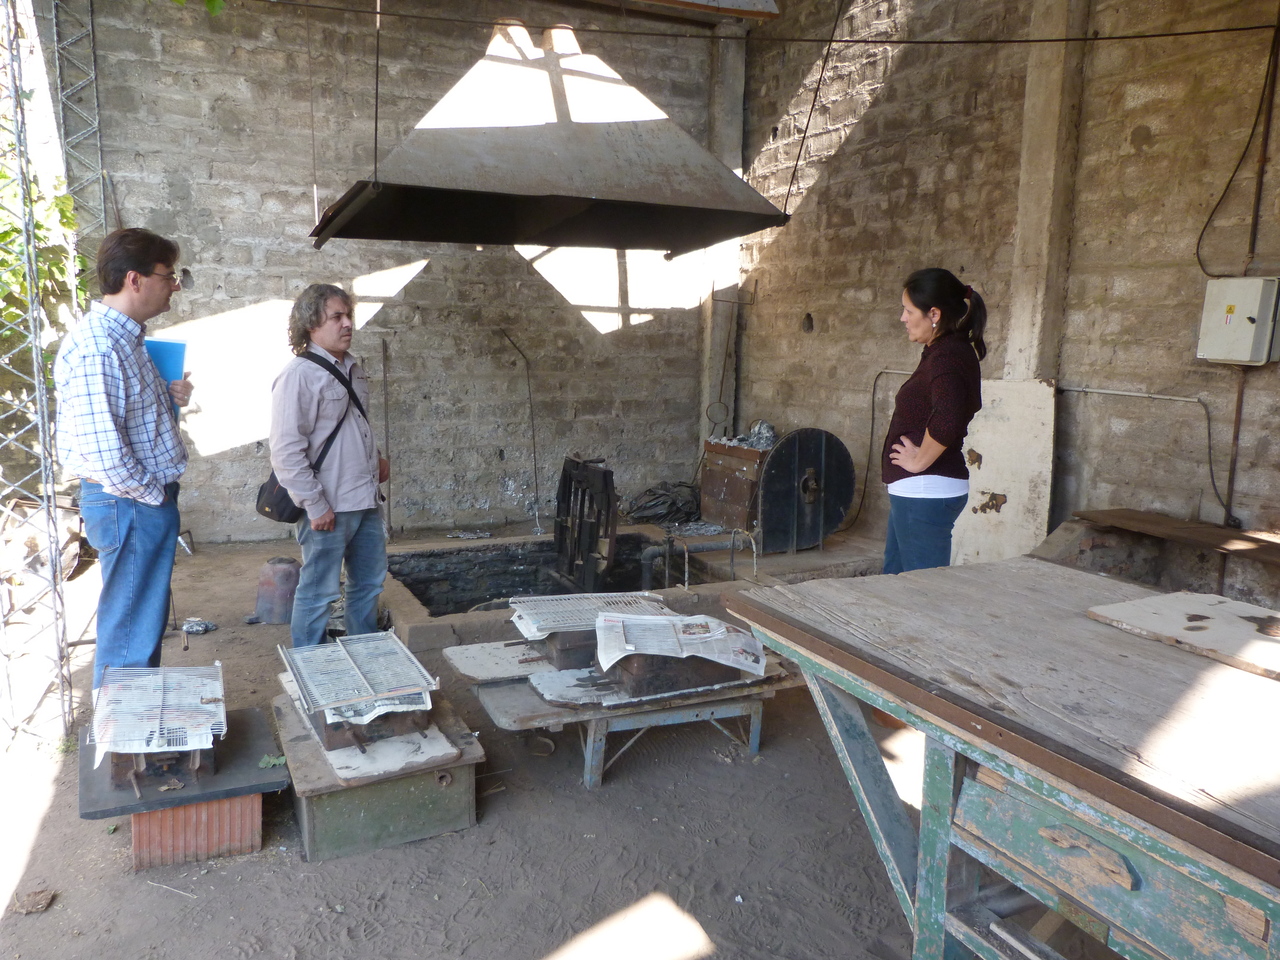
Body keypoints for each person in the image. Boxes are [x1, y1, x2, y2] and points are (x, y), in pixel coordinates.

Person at [54, 227, 194, 689]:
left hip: (136, 500)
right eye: (168, 276)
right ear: (135, 279)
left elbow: (124, 419)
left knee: (141, 619)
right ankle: (122, 726)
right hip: (130, 500)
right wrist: (154, 496)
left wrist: (169, 397)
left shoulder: (124, 340)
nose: (174, 286)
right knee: (131, 629)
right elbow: (104, 453)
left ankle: (132, 719)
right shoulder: (100, 346)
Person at [270, 284, 389, 647]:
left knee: (368, 584)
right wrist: (315, 505)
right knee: (319, 592)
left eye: (348, 315)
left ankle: (365, 652)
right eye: (337, 317)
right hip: (329, 506)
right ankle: (311, 663)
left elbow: (351, 424)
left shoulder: (352, 368)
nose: (348, 323)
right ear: (311, 324)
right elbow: (286, 451)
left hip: (365, 498)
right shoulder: (299, 375)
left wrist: (375, 459)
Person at [881, 267, 987, 575]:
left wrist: (918, 462)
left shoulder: (947, 356)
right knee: (894, 581)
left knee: (921, 589)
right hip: (917, 492)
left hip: (924, 491)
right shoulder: (941, 351)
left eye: (909, 311)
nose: (903, 318)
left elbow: (948, 417)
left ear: (934, 314)